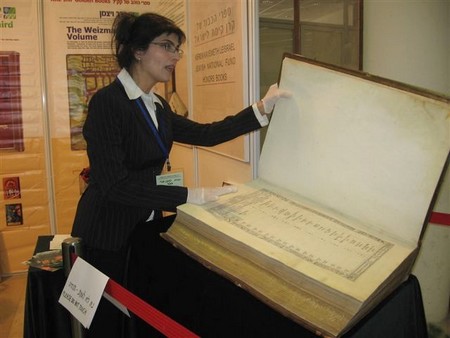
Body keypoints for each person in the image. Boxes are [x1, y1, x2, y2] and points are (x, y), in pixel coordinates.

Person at [71, 11, 290, 338]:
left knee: (137, 318)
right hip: (107, 233)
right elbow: (115, 185)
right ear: (138, 51)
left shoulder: (157, 105)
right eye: (167, 46)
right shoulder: (108, 103)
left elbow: (206, 134)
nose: (175, 56)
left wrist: (262, 108)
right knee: (103, 325)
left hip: (142, 230)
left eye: (177, 49)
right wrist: (190, 196)